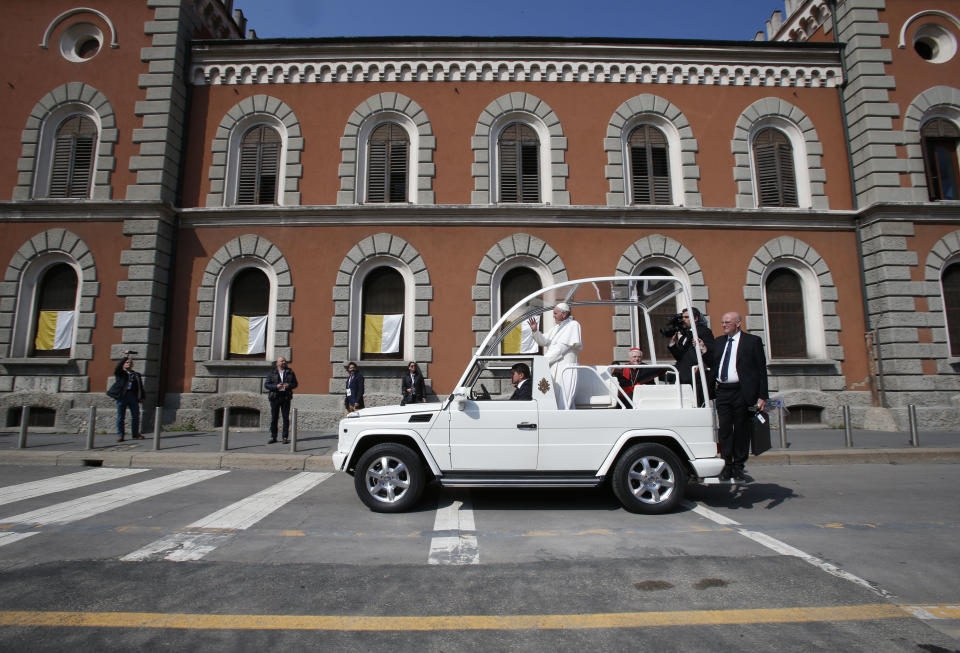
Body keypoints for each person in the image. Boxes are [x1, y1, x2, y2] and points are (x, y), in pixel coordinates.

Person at [706, 311, 768, 481]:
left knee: (741, 429)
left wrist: (762, 396)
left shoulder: (752, 341)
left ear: (738, 323)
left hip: (742, 391)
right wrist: (704, 352)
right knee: (725, 429)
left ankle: (739, 465)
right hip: (723, 391)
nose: (723, 325)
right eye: (722, 322)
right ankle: (727, 464)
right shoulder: (719, 342)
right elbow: (714, 363)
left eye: (727, 322)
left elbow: (761, 370)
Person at [529, 302, 582, 409]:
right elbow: (544, 341)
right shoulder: (556, 328)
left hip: (566, 369)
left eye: (555, 313)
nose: (553, 315)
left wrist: (542, 362)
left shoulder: (573, 325)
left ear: (564, 314)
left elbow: (561, 348)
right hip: (553, 367)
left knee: (564, 401)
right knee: (555, 401)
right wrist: (535, 331)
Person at [113, 350, 146, 442]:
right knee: (121, 417)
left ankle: (135, 434)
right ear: (124, 364)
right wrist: (125, 357)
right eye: (127, 362)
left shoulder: (136, 375)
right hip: (122, 396)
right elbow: (118, 367)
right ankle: (120, 435)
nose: (129, 364)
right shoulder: (120, 373)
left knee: (135, 415)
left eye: (130, 363)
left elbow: (140, 387)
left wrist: (142, 397)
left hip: (133, 396)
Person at [264, 356, 298, 444]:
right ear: (277, 363)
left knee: (285, 418)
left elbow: (295, 384)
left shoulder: (290, 372)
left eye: (284, 361)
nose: (284, 362)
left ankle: (285, 437)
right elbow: (267, 385)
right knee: (274, 418)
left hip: (285, 397)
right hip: (275, 397)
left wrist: (289, 385)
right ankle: (273, 436)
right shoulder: (272, 372)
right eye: (282, 361)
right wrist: (276, 386)